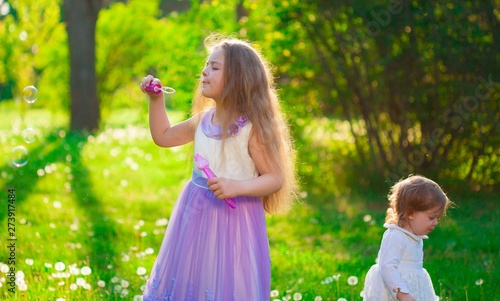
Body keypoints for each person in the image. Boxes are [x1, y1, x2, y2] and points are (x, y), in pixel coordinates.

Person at [139, 34, 298, 301]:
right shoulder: (202, 120)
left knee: (226, 278)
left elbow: (275, 178)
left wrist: (237, 186)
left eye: (215, 67)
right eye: (206, 65)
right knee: (195, 273)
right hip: (195, 213)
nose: (204, 71)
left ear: (238, 78)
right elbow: (163, 136)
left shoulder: (250, 128)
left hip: (235, 220)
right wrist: (156, 101)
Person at [362, 175, 452, 301]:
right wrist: (402, 294)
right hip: (394, 289)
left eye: (438, 218)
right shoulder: (395, 235)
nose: (436, 222)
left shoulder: (415, 237)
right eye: (431, 218)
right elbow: (387, 267)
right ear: (410, 213)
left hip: (412, 286)